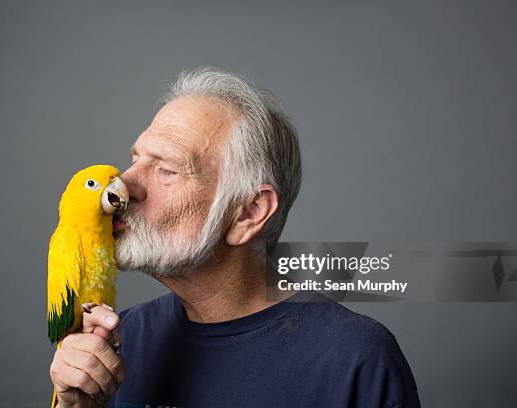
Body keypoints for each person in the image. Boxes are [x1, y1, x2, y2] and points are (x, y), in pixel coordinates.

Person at [49, 67, 421, 408]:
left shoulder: (356, 360)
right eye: (136, 159)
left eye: (166, 169)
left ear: (248, 213)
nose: (126, 186)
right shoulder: (119, 341)